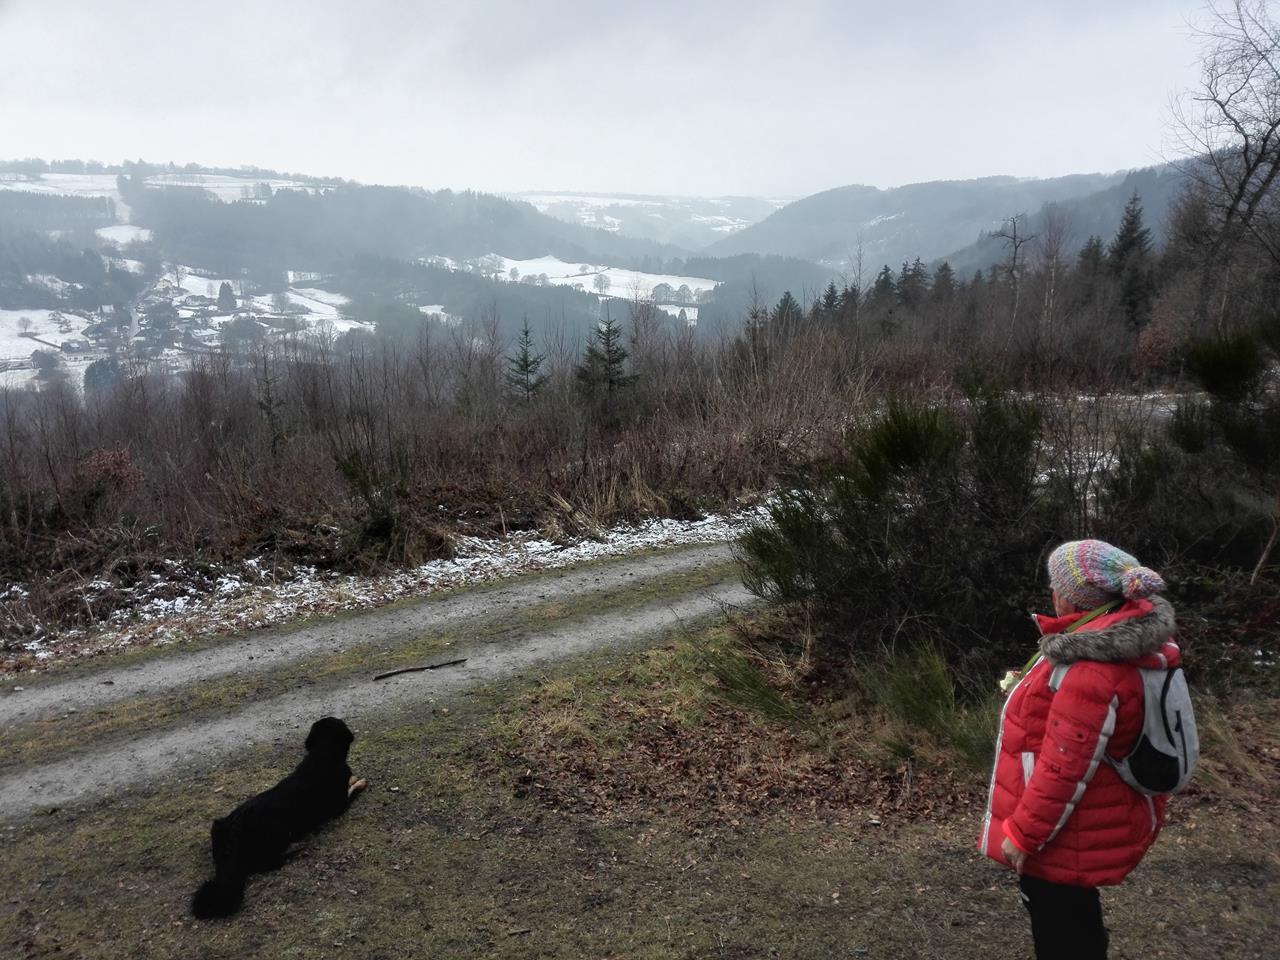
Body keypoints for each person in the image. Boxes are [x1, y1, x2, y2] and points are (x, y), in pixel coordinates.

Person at [978, 539, 1179, 960]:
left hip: (1063, 830)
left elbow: (1064, 767)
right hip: (1082, 817)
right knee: (1076, 921)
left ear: (1073, 597)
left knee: (1061, 931)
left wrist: (1024, 835)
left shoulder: (1090, 667)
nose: (1051, 591)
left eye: (1056, 583)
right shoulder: (1111, 646)